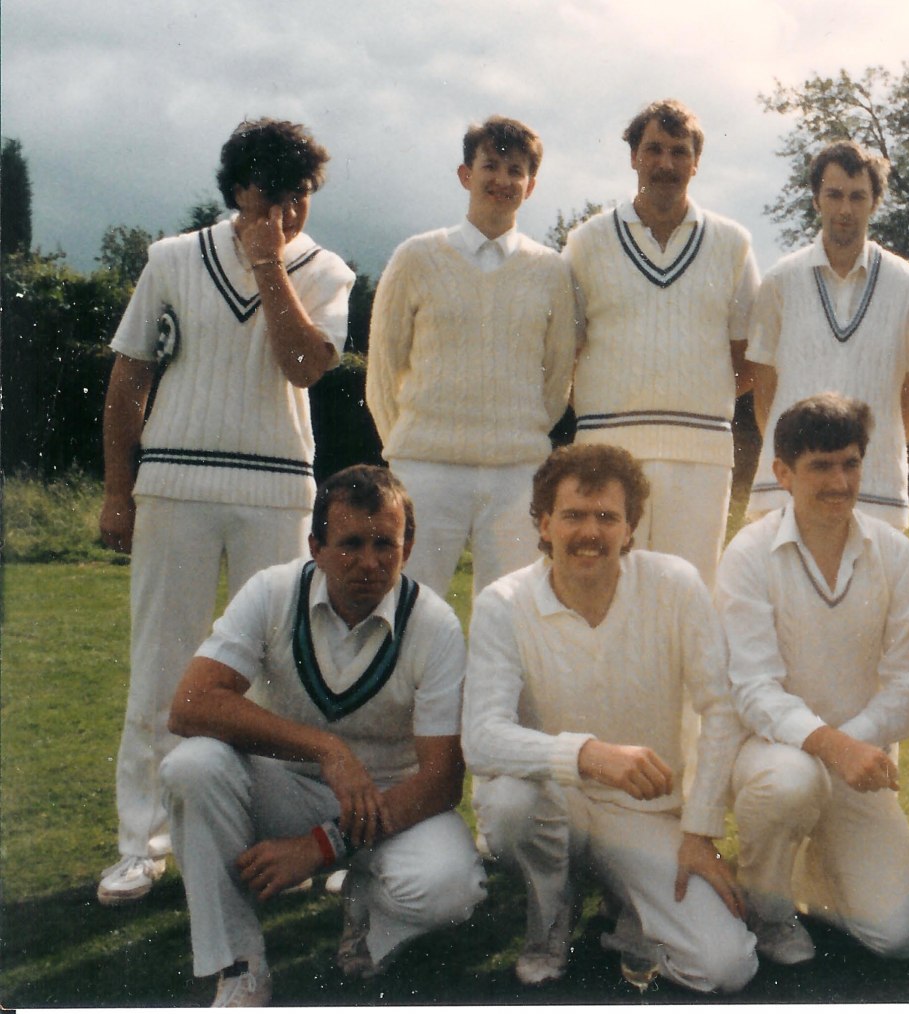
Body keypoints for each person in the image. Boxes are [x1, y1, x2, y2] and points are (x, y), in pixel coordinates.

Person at [96, 117, 355, 905]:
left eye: (301, 195)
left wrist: (270, 265)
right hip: (174, 486)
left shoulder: (327, 270)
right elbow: (128, 380)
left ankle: (272, 835)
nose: (288, 212)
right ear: (238, 189)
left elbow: (304, 366)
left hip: (277, 490)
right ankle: (141, 845)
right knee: (163, 667)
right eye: (272, 194)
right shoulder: (172, 259)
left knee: (281, 678)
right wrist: (117, 490)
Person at [159, 466, 486, 1007]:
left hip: (388, 803)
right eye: (350, 543)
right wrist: (327, 750)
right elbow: (190, 704)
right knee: (191, 768)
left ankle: (368, 914)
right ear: (316, 547)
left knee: (452, 887)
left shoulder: (435, 624)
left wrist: (320, 846)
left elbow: (442, 780)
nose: (369, 562)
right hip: (283, 789)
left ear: (408, 547)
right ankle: (240, 966)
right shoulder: (273, 591)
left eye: (385, 544)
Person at [461, 444, 757, 993]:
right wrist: (588, 755)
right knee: (508, 804)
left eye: (606, 517)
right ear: (544, 524)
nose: (590, 532)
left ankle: (628, 919)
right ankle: (550, 921)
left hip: (644, 813)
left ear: (630, 528)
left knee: (725, 968)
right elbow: (480, 738)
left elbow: (722, 708)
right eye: (573, 515)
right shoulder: (504, 602)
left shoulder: (674, 584)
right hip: (552, 804)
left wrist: (700, 832)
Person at [716, 394, 909, 966]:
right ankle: (769, 913)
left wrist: (847, 746)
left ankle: (815, 868)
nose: (839, 482)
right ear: (783, 473)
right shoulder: (748, 553)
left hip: (853, 764)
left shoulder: (895, 553)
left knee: (901, 936)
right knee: (792, 783)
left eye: (850, 464)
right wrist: (831, 746)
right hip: (771, 758)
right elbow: (752, 689)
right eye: (820, 466)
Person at [366, 115, 578, 597]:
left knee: (510, 610)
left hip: (516, 473)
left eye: (516, 170)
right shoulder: (415, 257)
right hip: (425, 467)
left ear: (531, 185)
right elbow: (382, 371)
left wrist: (519, 436)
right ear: (466, 174)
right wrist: (407, 445)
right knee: (409, 605)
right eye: (491, 166)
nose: (502, 179)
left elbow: (557, 376)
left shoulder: (550, 271)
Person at [563, 98, 759, 588]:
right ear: (633, 156)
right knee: (602, 596)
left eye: (679, 151)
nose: (665, 163)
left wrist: (691, 401)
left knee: (689, 597)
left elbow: (748, 359)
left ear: (696, 162)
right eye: (653, 149)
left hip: (700, 457)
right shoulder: (586, 243)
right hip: (604, 454)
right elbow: (566, 349)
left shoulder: (733, 244)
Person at [743, 141, 909, 530]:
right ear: (816, 200)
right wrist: (797, 458)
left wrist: (875, 453)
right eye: (834, 195)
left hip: (875, 485)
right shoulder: (780, 279)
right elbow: (764, 390)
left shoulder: (905, 283)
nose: (845, 209)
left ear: (874, 203)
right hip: (790, 485)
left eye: (858, 197)